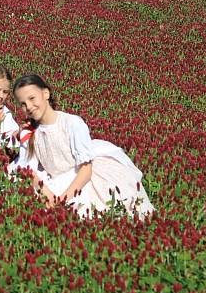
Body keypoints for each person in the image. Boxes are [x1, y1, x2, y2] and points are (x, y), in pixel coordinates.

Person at [12, 74, 154, 218]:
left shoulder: (71, 123)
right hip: (53, 182)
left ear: (46, 93)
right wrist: (47, 194)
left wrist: (63, 200)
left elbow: (86, 170)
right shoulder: (29, 133)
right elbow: (29, 170)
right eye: (22, 104)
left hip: (81, 179)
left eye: (32, 98)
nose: (29, 106)